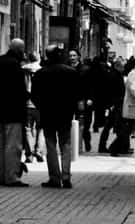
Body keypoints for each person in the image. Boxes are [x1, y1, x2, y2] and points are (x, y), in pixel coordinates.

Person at [31, 45, 80, 188]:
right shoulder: (71, 72)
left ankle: (54, 177)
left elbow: (35, 96)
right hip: (65, 114)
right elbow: (76, 94)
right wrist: (71, 108)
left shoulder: (41, 73)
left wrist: (42, 108)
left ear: (47, 56)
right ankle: (66, 176)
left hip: (48, 114)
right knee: (66, 144)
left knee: (50, 145)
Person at [109, 55, 135, 157]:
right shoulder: (133, 74)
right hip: (134, 107)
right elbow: (134, 90)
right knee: (127, 130)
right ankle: (114, 148)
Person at [0, 38, 29, 187]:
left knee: (1, 145)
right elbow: (20, 92)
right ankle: (11, 176)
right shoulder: (16, 67)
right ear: (20, 50)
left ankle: (1, 175)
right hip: (13, 112)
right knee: (12, 146)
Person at [22, 51, 43, 163]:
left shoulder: (23, 70)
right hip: (40, 105)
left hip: (27, 104)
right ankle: (38, 151)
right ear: (38, 58)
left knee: (27, 129)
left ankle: (29, 154)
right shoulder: (42, 70)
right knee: (41, 129)